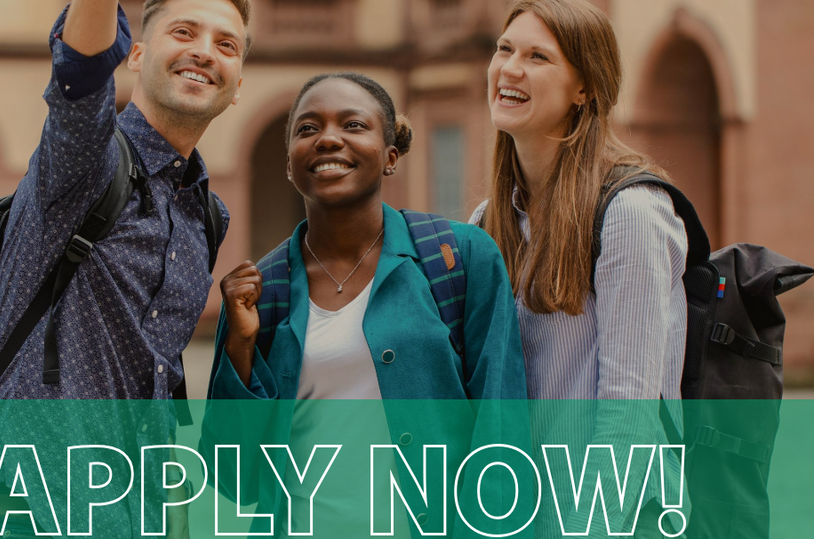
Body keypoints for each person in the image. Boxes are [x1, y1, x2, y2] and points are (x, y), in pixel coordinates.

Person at [0, 1, 251, 537]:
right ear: (135, 55)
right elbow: (80, 70)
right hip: (38, 507)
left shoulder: (206, 215)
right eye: (184, 32)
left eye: (226, 44)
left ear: (238, 86)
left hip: (139, 513)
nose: (203, 52)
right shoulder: (85, 161)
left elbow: (159, 381)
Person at [202, 73, 530, 539]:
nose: (328, 138)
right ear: (290, 165)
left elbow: (502, 432)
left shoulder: (459, 258)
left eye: (353, 125)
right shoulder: (262, 290)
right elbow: (234, 478)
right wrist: (240, 345)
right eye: (308, 129)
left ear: (391, 156)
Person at [469, 0, 687, 537]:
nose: (510, 69)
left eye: (538, 56)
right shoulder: (488, 220)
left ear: (584, 89)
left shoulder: (631, 213)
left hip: (612, 517)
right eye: (504, 49)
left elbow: (628, 415)